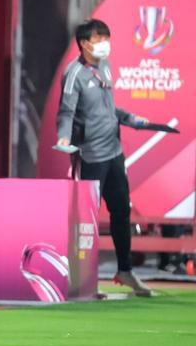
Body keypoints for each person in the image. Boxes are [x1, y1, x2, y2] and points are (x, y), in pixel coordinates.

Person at [56, 19, 152, 297]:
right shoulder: (73, 74)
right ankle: (85, 278)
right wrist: (63, 137)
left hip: (114, 153)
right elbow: (66, 111)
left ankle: (125, 271)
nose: (105, 43)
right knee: (87, 219)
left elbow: (106, 109)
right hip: (91, 156)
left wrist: (129, 118)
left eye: (106, 38)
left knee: (121, 210)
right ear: (84, 43)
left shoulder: (105, 68)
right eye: (99, 39)